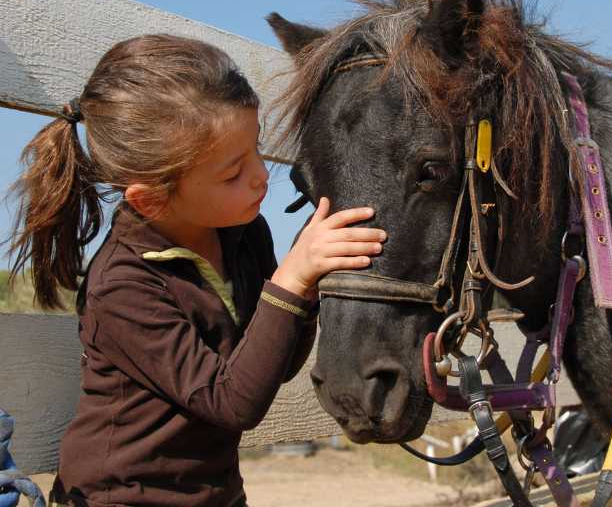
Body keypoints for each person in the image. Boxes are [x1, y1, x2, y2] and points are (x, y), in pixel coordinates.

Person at [7, 34, 385, 507]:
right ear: (152, 199)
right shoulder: (121, 285)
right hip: (121, 498)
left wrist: (306, 285)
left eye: (257, 149)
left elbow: (274, 367)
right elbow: (232, 402)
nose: (262, 174)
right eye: (232, 173)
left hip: (217, 494)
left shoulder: (247, 234)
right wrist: (291, 280)